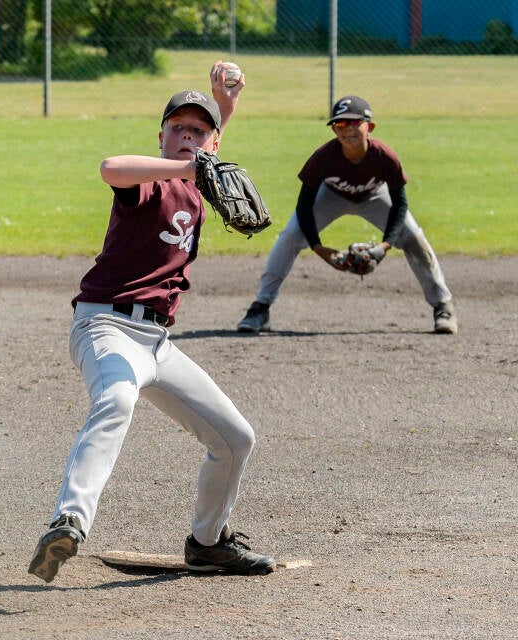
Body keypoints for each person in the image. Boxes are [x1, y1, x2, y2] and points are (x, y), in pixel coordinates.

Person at [28, 63, 276, 584]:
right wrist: (186, 165)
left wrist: (223, 100)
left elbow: (208, 147)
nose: (188, 138)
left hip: (158, 344)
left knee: (236, 439)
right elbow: (109, 166)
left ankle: (208, 545)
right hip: (105, 328)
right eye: (178, 129)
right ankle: (69, 520)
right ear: (160, 135)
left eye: (198, 131)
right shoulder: (149, 183)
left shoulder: (198, 172)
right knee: (116, 398)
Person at [237, 95, 457, 335]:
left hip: (375, 196)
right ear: (333, 129)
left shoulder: (385, 157)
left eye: (354, 123)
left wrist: (385, 246)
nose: (347, 129)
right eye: (340, 124)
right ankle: (260, 307)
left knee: (412, 235)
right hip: (331, 196)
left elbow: (400, 204)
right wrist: (319, 249)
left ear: (369, 127)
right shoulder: (323, 157)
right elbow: (304, 207)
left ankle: (442, 305)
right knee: (290, 234)